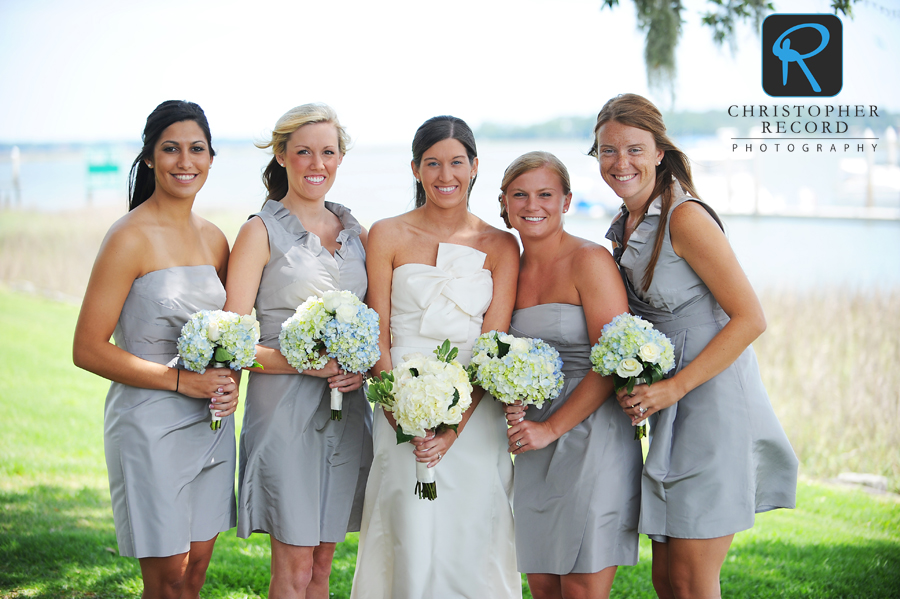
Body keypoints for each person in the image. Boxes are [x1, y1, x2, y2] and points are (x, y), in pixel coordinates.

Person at [591, 93, 798, 599]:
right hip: (670, 411)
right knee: (667, 581)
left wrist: (673, 388)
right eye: (608, 151)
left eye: (635, 149)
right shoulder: (626, 226)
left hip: (713, 406)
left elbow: (751, 318)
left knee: (691, 582)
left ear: (660, 151)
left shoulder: (684, 218)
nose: (621, 163)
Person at [351, 116, 522, 599]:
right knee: (404, 522)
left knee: (473, 525)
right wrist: (398, 411)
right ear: (415, 169)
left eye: (456, 163)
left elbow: (494, 345)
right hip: (398, 402)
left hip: (474, 410)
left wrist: (452, 427)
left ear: (473, 168)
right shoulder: (386, 233)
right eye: (432, 164)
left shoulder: (501, 244)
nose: (445, 175)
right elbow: (376, 333)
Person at [72, 100, 237, 599]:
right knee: (167, 579)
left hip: (210, 424)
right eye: (170, 149)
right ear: (149, 158)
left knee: (196, 574)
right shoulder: (128, 237)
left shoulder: (215, 241)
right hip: (149, 423)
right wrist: (181, 380)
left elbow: (232, 335)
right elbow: (87, 348)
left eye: (196, 149)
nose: (184, 161)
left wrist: (230, 386)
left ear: (210, 158)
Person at [223, 103, 373, 599]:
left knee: (323, 568)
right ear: (282, 156)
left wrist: (361, 369)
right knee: (293, 569)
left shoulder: (359, 235)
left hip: (346, 410)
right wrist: (309, 364)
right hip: (284, 411)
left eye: (328, 152)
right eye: (304, 151)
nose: (317, 163)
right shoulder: (259, 232)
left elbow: (375, 326)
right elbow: (235, 341)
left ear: (340, 158)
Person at [499, 151, 642, 599]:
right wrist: (510, 396)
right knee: (542, 584)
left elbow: (615, 360)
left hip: (592, 434)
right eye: (520, 195)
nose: (532, 205)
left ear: (566, 201)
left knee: (581, 586)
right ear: (504, 204)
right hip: (532, 440)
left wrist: (550, 429)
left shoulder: (589, 260)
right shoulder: (507, 269)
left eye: (545, 194)